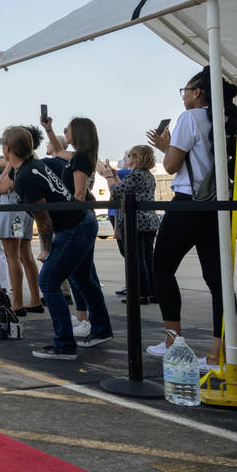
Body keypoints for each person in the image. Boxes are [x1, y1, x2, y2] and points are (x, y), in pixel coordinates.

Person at [0, 127, 113, 360]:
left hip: (73, 228)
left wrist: (47, 248)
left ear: (7, 149)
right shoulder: (28, 167)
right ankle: (101, 330)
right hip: (83, 221)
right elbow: (2, 188)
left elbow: (43, 221)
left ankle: (64, 345)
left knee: (49, 281)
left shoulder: (25, 177)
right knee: (83, 279)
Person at [145, 67, 236, 373]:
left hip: (188, 205)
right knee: (218, 280)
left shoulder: (190, 118)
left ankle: (174, 342)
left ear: (198, 92)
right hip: (219, 206)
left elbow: (171, 167)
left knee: (161, 267)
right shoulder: (227, 119)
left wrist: (164, 148)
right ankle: (219, 352)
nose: (183, 95)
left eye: (184, 90)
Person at [44, 115, 102, 335]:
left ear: (76, 133)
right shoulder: (83, 156)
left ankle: (87, 320)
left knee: (79, 276)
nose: (64, 132)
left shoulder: (79, 159)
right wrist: (49, 130)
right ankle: (87, 319)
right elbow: (59, 152)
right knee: (83, 275)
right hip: (84, 217)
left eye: (66, 130)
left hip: (78, 220)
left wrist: (70, 217)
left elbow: (78, 193)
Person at [0, 125, 43, 315]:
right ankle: (35, 299)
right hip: (25, 213)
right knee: (25, 255)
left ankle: (17, 304)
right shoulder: (32, 158)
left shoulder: (16, 163)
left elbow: (2, 186)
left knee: (12, 256)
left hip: (12, 211)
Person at [100, 145, 158, 304]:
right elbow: (126, 189)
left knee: (135, 258)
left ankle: (140, 293)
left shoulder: (136, 175)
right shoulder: (147, 175)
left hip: (135, 221)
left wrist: (108, 177)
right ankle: (153, 292)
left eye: (131, 156)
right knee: (148, 257)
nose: (129, 158)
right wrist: (115, 176)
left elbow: (117, 190)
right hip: (149, 221)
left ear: (137, 159)